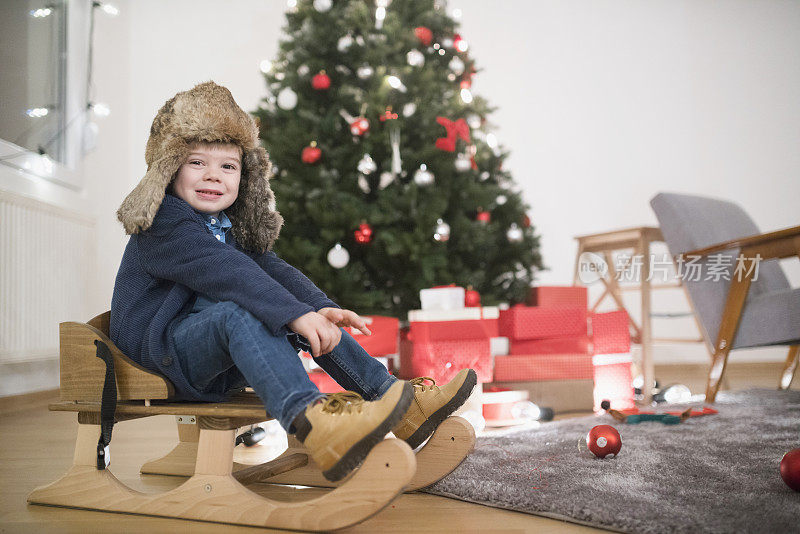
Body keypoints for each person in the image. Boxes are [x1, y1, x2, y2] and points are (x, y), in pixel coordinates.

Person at [110, 81, 476, 481]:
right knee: (247, 312)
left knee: (296, 312)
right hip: (158, 353)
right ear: (170, 167)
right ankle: (314, 423)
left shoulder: (222, 227)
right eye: (197, 162)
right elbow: (229, 271)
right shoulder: (163, 222)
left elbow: (266, 268)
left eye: (228, 166)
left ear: (244, 177)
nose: (213, 176)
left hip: (202, 350)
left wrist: (318, 308)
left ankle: (392, 398)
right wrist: (295, 314)